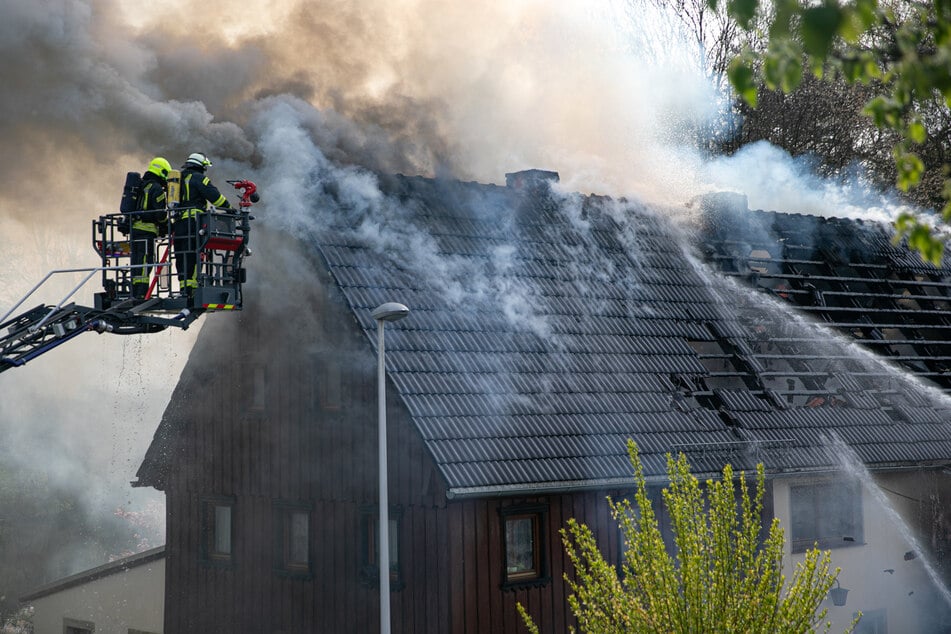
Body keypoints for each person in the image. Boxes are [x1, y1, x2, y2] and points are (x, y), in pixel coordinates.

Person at [173, 152, 232, 300]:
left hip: (178, 224)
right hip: (193, 222)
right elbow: (215, 197)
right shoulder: (199, 178)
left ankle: (184, 289)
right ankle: (192, 290)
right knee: (193, 254)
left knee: (181, 255)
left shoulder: (176, 180)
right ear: (201, 166)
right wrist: (229, 209)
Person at [130, 157, 171, 299]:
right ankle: (141, 293)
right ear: (162, 172)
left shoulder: (140, 185)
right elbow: (160, 214)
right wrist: (167, 225)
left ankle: (136, 291)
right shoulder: (156, 188)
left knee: (136, 260)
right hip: (147, 231)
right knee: (145, 261)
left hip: (134, 229)